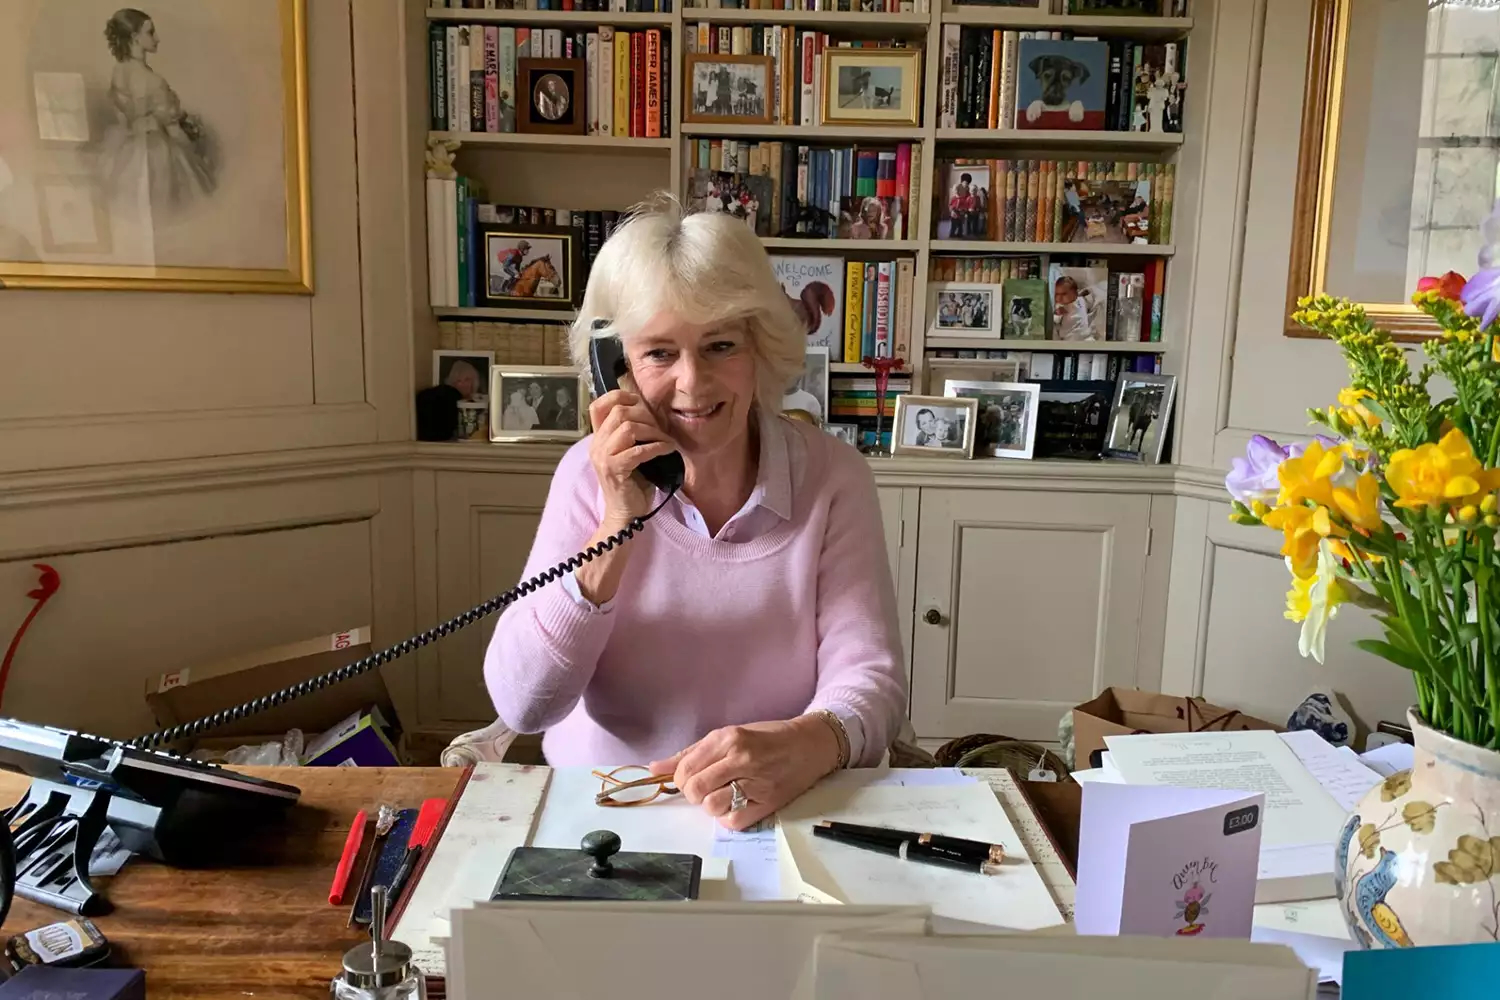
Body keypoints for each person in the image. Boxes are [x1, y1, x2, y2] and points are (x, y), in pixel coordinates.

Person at [484, 195, 907, 830]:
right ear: (614, 365)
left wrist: (812, 742)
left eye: (720, 345)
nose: (693, 382)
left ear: (759, 346)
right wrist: (616, 527)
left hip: (781, 809)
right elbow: (524, 706)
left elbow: (870, 675)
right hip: (606, 811)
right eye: (659, 353)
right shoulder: (586, 475)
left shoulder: (833, 477)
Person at [100, 8, 215, 216]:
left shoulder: (118, 73)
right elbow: (174, 131)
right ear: (135, 37)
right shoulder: (154, 82)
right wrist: (194, 153)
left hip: (128, 151)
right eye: (150, 32)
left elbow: (124, 119)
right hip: (159, 157)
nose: (157, 39)